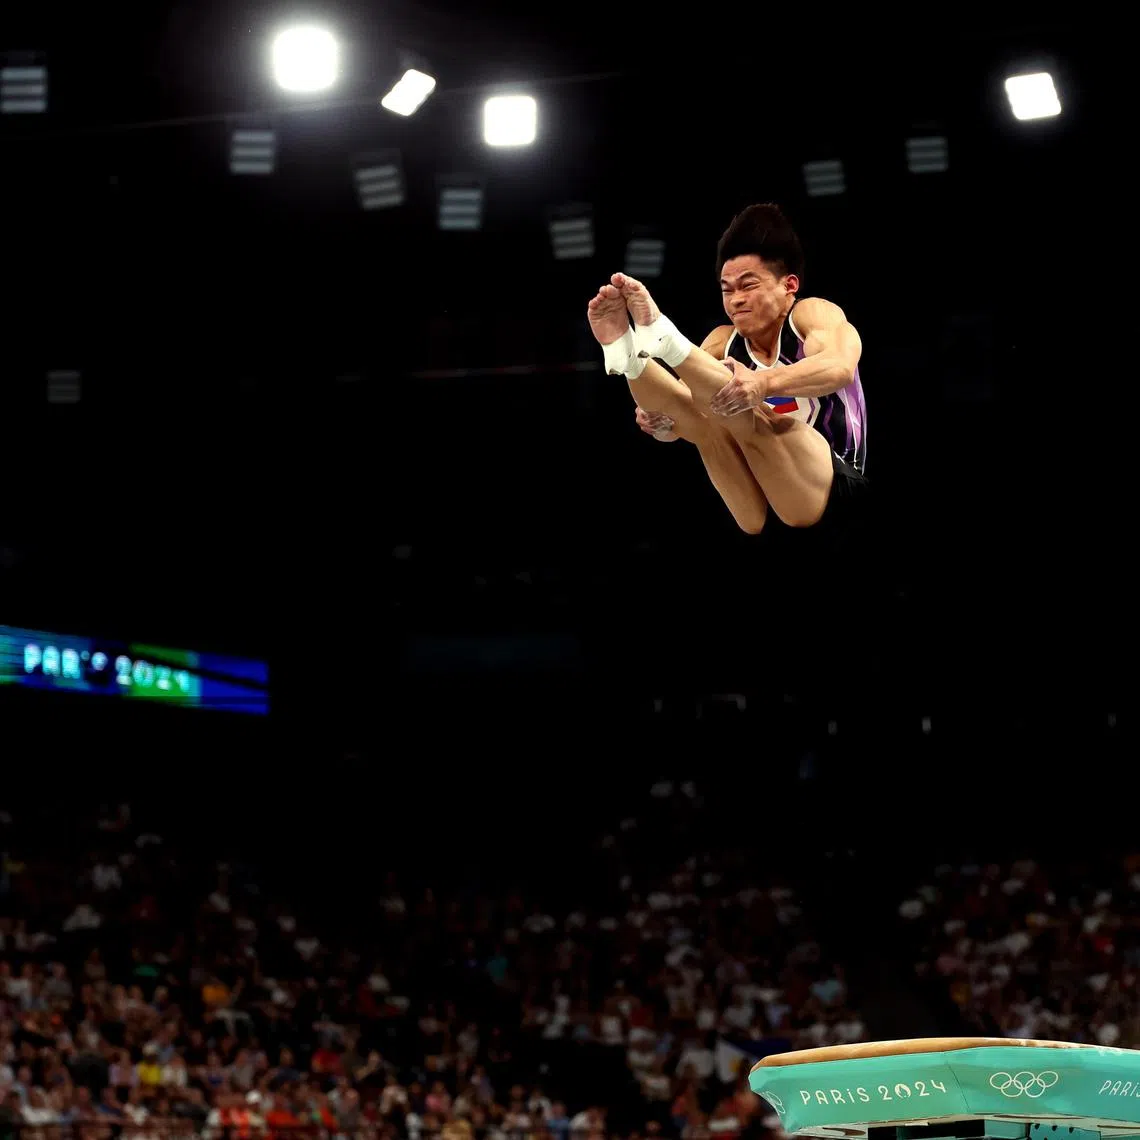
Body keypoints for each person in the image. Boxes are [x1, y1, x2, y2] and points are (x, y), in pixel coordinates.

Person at [586, 203, 867, 544]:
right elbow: (682, 417)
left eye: (748, 286)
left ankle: (668, 340)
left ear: (789, 286)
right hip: (757, 510)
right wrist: (659, 422)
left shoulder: (812, 315)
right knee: (706, 415)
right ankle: (628, 357)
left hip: (832, 492)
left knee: (750, 412)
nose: (736, 300)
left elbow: (838, 367)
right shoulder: (722, 342)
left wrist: (761, 383)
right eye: (727, 289)